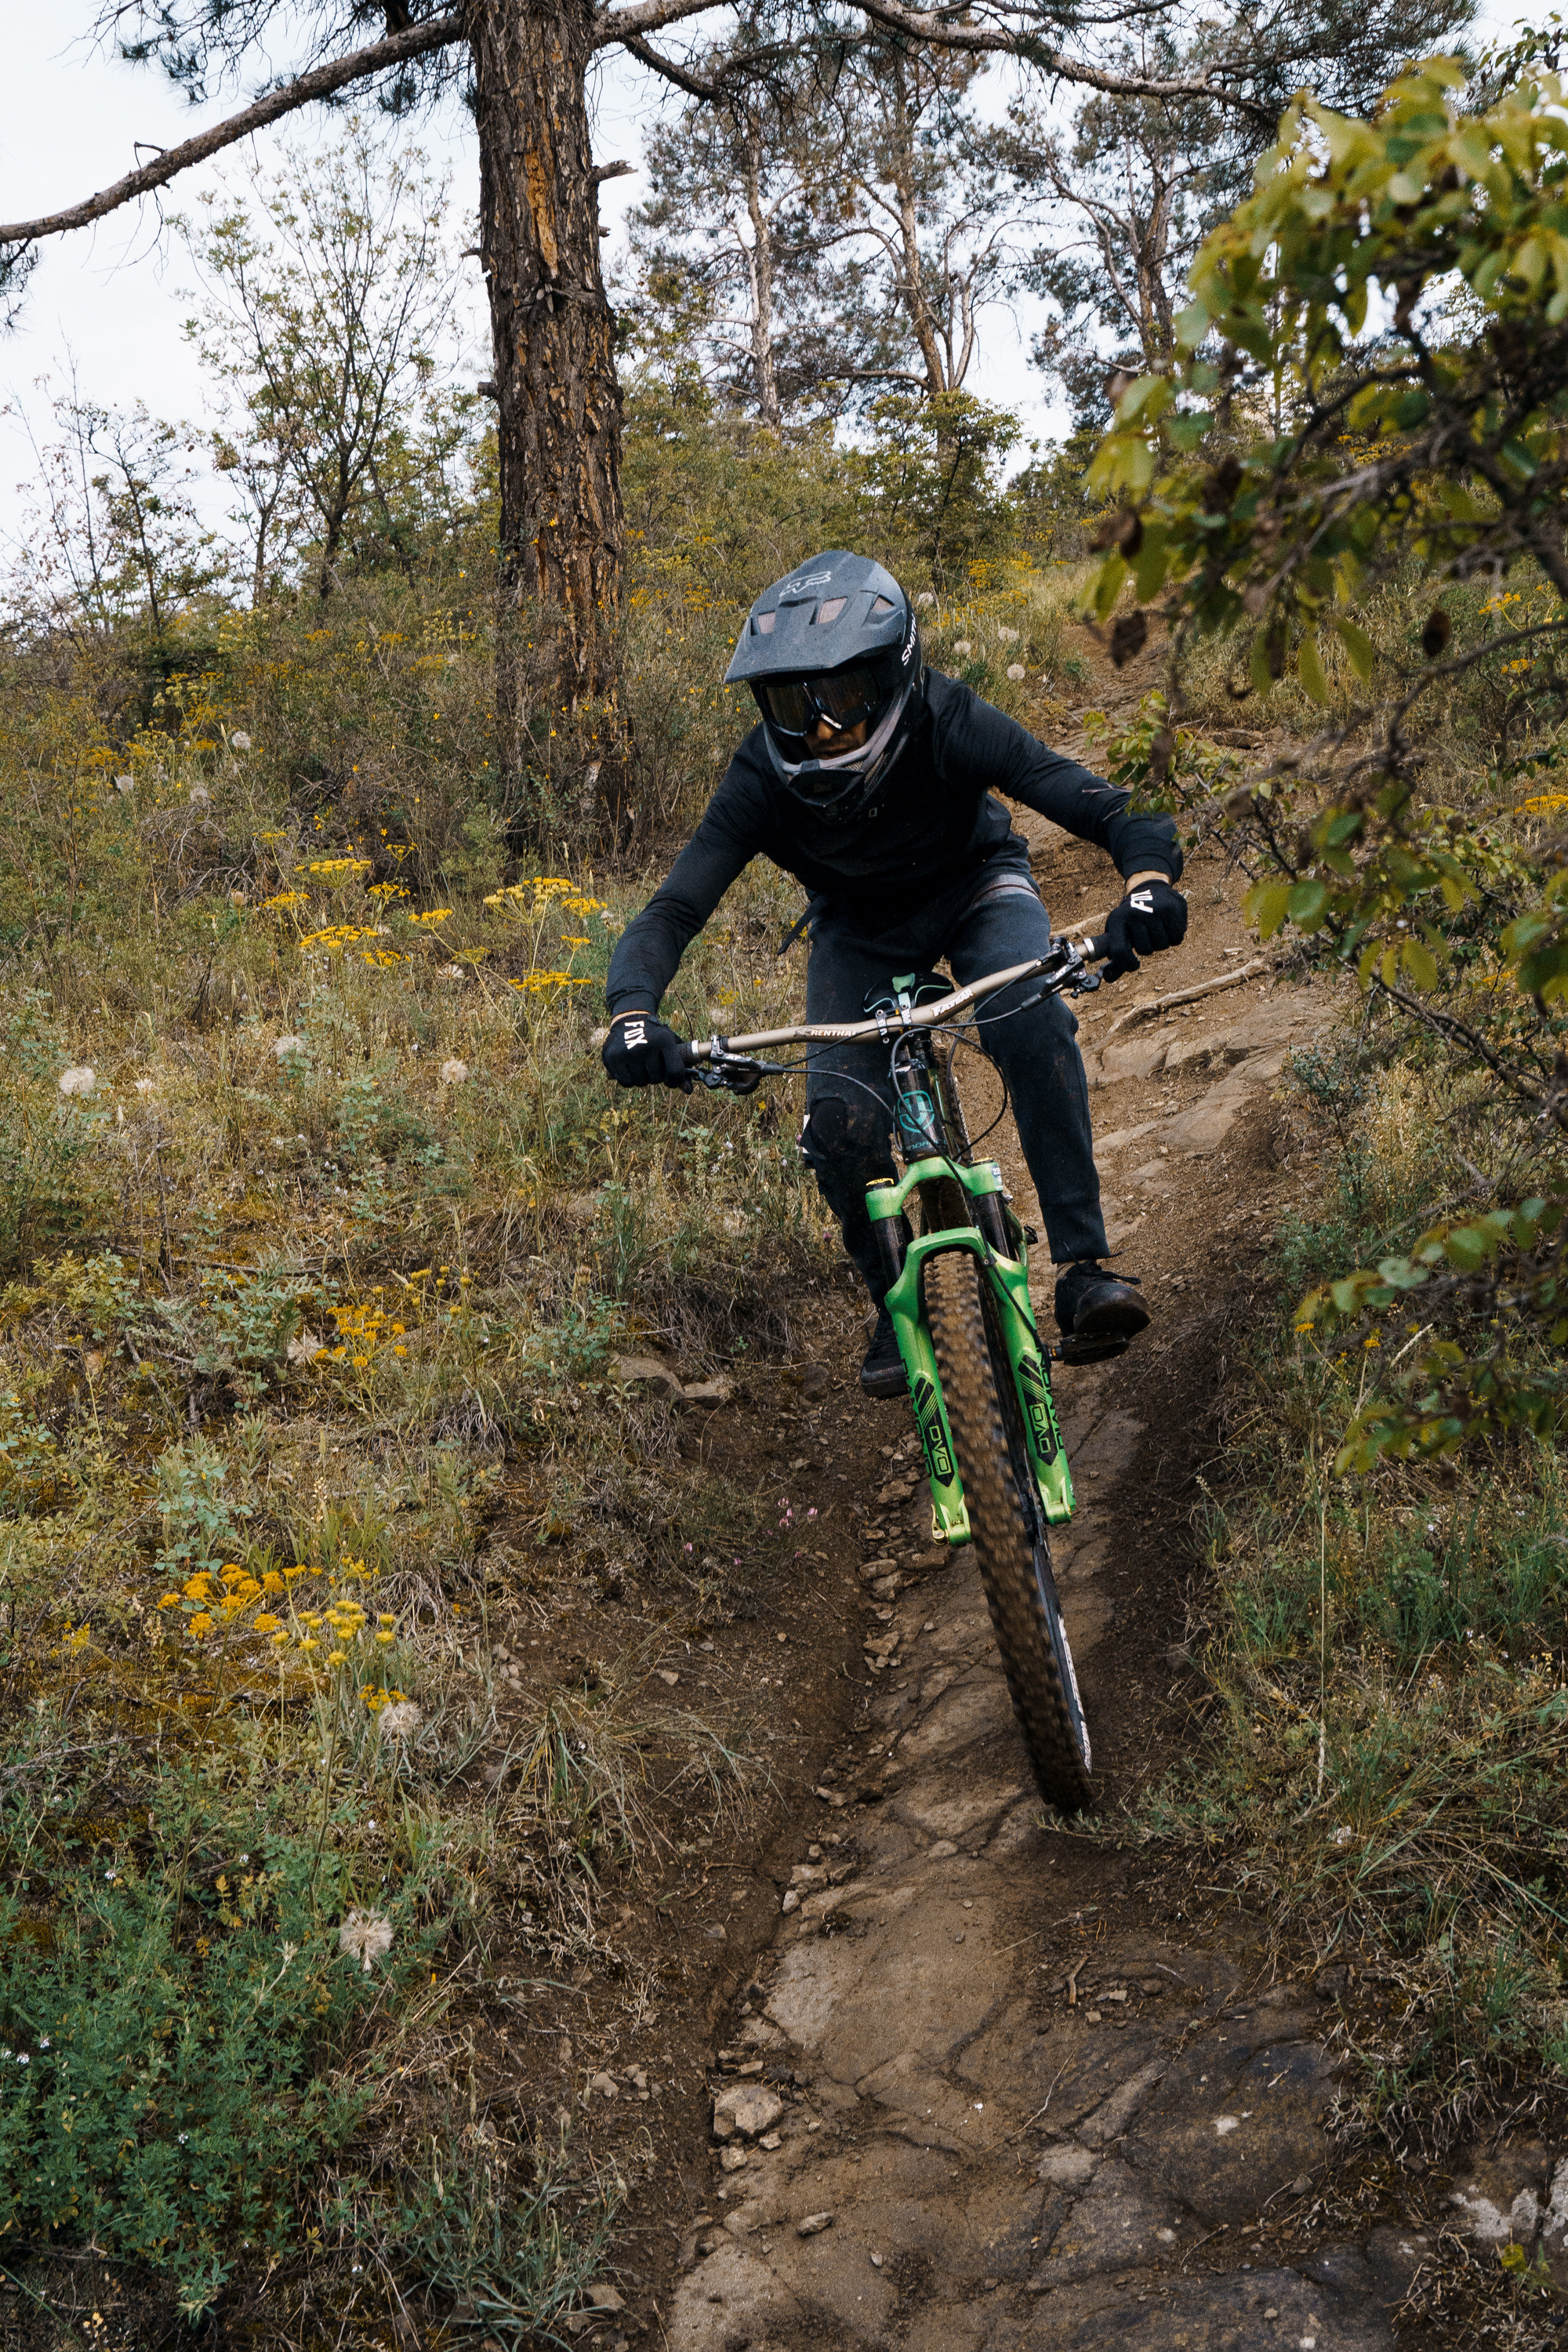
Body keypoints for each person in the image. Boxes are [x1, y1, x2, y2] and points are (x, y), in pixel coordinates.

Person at [601, 550, 1187, 1396]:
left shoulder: (948, 717)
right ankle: (894, 1307)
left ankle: (1084, 1268)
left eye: (837, 697)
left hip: (976, 888)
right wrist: (632, 1013)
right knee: (837, 1130)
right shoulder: (760, 777)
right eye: (789, 704)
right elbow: (670, 912)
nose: (819, 729)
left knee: (1026, 1014)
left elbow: (1097, 804)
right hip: (859, 930)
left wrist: (1145, 886)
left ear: (892, 672)